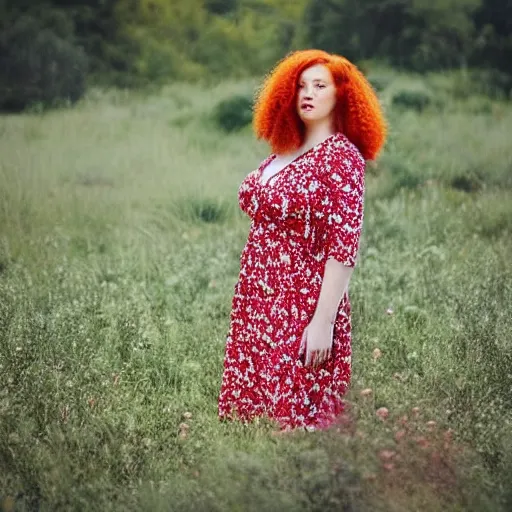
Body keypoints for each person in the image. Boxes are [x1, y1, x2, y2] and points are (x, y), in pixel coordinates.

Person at [218, 49, 387, 431]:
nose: (307, 93)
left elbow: (343, 245)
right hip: (259, 298)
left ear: (341, 95)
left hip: (301, 301)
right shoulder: (285, 151)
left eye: (319, 85)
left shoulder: (341, 156)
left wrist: (323, 321)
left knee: (298, 422)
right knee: (256, 426)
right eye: (300, 86)